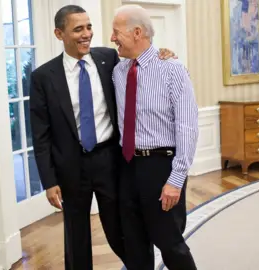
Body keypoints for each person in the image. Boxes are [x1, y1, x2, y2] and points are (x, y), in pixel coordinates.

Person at [29, 5, 176, 270]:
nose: (87, 34)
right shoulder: (43, 77)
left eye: (88, 27)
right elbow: (40, 135)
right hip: (71, 166)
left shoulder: (109, 58)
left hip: (109, 160)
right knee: (77, 237)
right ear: (59, 33)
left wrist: (164, 53)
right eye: (78, 29)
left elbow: (140, 54)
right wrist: (49, 181)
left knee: (120, 229)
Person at [111, 4, 199, 270]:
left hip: (161, 167)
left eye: (116, 32)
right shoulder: (118, 71)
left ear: (137, 32)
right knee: (134, 243)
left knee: (169, 241)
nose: (112, 38)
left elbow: (187, 127)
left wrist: (176, 179)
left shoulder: (172, 69)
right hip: (127, 167)